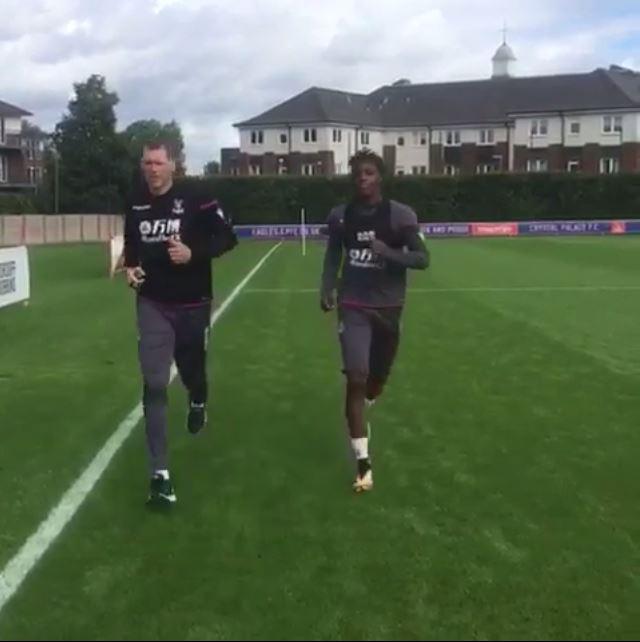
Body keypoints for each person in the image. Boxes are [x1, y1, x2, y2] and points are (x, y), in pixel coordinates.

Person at [123, 139, 238, 505]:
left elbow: (228, 237)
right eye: (147, 163)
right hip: (153, 302)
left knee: (191, 373)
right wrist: (131, 268)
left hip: (192, 302)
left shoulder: (197, 197)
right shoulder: (136, 200)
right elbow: (131, 244)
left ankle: (198, 397)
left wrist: (194, 253)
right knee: (155, 382)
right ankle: (160, 474)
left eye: (158, 163)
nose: (152, 170)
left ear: (173, 165)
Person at [320, 150, 429, 492]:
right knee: (356, 376)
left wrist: (390, 253)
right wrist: (326, 287)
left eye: (368, 173)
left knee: (375, 382)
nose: (362, 179)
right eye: (357, 174)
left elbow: (423, 259)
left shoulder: (400, 216)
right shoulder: (340, 216)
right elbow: (333, 254)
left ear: (379, 177)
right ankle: (363, 464)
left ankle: (367, 400)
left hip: (388, 309)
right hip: (353, 303)